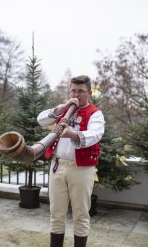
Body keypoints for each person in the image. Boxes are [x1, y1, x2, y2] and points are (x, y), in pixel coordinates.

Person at [37, 75, 105, 247]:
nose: (76, 94)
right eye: (73, 90)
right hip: (58, 165)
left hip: (81, 169)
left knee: (81, 214)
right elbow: (41, 120)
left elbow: (94, 135)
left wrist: (71, 134)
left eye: (81, 91)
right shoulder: (65, 109)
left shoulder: (95, 114)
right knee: (56, 213)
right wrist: (61, 108)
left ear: (89, 93)